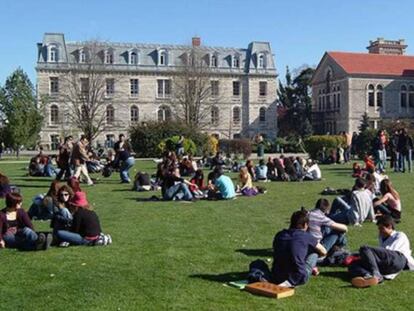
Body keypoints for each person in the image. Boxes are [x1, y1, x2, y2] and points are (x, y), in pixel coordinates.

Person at [348, 215, 414, 288]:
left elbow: (389, 252)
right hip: (386, 265)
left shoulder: (399, 235)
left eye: (381, 228)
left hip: (398, 259)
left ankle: (376, 274)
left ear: (389, 226)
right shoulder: (382, 238)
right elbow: (381, 256)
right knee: (353, 264)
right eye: (379, 229)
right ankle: (369, 276)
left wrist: (368, 255)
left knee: (365, 248)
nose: (380, 231)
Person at [272, 209, 327, 287]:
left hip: (277, 275)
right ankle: (292, 281)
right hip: (299, 277)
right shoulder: (306, 236)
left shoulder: (279, 235)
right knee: (314, 253)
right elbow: (324, 251)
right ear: (305, 225)